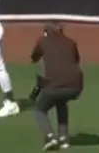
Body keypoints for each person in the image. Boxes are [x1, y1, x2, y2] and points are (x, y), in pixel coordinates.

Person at [29, 22, 84, 150]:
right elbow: (76, 60)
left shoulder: (43, 41)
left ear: (46, 31)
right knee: (61, 102)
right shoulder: (71, 42)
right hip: (76, 86)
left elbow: (34, 56)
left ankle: (50, 137)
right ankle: (64, 138)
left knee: (39, 109)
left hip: (55, 85)